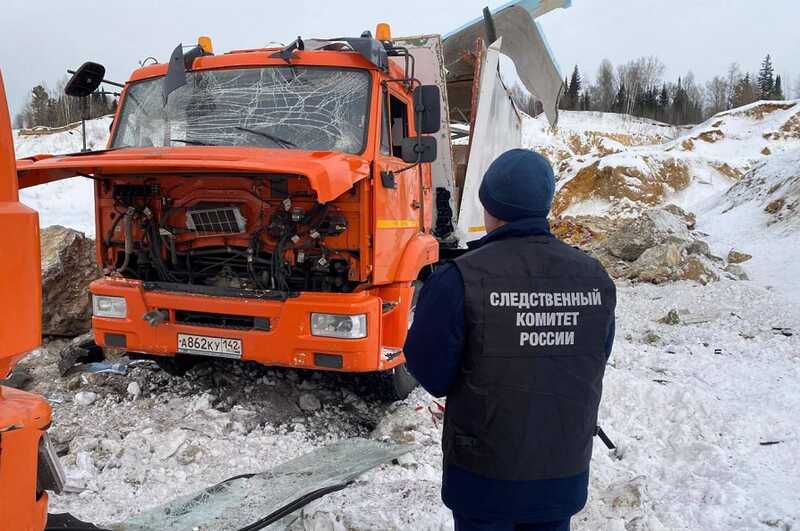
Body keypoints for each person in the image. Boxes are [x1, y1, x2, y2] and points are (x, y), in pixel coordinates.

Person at [404, 149, 616, 531]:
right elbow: (593, 356)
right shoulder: (595, 279)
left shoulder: (459, 280)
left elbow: (430, 373)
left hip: (484, 476)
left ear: (489, 206)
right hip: (561, 471)